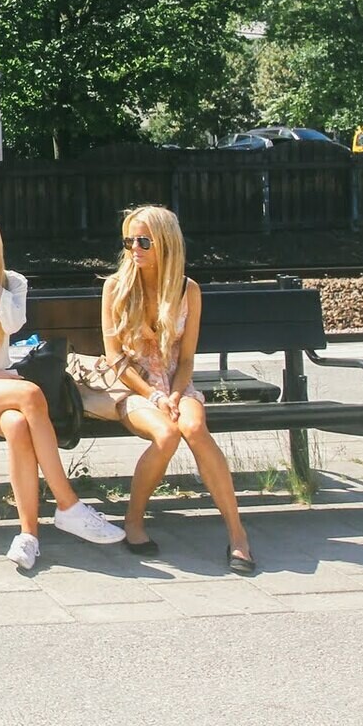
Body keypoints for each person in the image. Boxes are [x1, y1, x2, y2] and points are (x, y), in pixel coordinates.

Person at [0, 211, 124, 569]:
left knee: (17, 426)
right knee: (30, 394)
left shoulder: (12, 282)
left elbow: (13, 323)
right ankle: (68, 504)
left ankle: (28, 535)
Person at [80, 204, 255, 574]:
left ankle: (238, 534)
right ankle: (134, 522)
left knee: (194, 426)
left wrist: (174, 393)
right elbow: (115, 358)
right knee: (167, 434)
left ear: (166, 243)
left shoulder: (188, 290)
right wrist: (154, 395)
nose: (135, 249)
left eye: (144, 241)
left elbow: (186, 358)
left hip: (175, 382)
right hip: (131, 387)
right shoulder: (115, 287)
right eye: (129, 241)